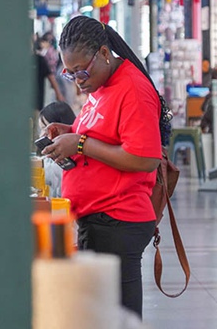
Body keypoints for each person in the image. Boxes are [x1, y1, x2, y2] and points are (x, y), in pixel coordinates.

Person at [40, 16, 171, 319]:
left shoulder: (132, 89)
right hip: (97, 219)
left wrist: (81, 145)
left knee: (118, 317)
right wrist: (69, 130)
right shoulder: (100, 85)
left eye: (82, 71)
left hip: (118, 220)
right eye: (70, 74)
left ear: (103, 53)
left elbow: (145, 158)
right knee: (98, 317)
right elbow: (103, 131)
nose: (79, 80)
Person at [38, 101, 77, 198]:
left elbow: (51, 174)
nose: (41, 134)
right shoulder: (52, 153)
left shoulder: (72, 155)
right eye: (41, 129)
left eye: (45, 128)